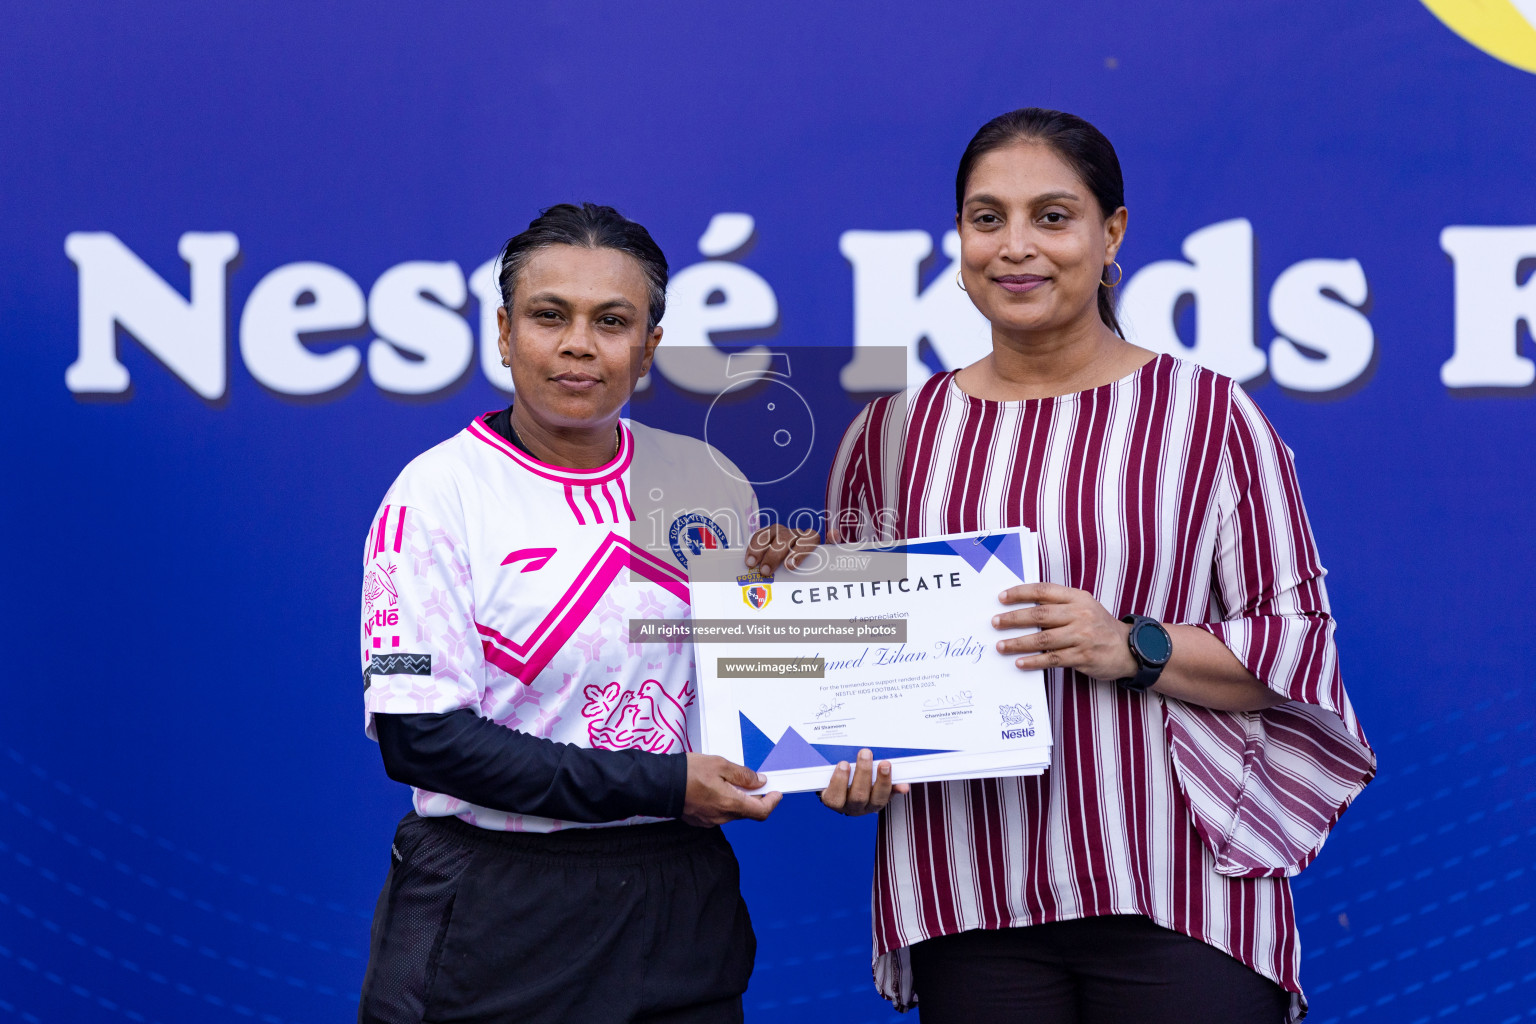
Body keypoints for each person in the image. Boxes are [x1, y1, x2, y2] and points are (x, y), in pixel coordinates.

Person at [819, 109, 1375, 1023]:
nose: (1015, 247)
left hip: (1175, 887)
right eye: (986, 218)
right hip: (969, 890)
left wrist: (1131, 645)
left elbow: (1299, 652)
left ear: (1112, 233)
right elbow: (851, 670)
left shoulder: (1207, 419)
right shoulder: (890, 437)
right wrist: (843, 757)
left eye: (1052, 215)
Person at [355, 203, 814, 1024]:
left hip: (679, 910)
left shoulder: (707, 482)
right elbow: (419, 738)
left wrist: (836, 728)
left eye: (612, 321)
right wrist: (666, 783)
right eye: (548, 315)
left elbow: (751, 707)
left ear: (649, 347)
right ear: (503, 332)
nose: (578, 344)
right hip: (495, 915)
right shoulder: (435, 495)